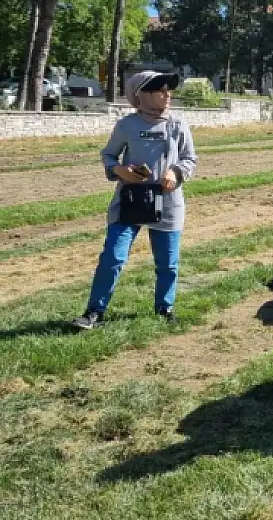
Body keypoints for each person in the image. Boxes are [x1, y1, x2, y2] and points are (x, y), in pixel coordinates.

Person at [72, 71, 197, 329]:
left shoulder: (178, 124)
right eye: (161, 90)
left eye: (168, 90)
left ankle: (165, 307)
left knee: (168, 263)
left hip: (168, 202)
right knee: (113, 257)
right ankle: (94, 311)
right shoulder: (126, 126)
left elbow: (189, 159)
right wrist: (120, 171)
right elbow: (108, 156)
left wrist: (175, 172)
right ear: (143, 95)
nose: (168, 94)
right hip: (129, 201)